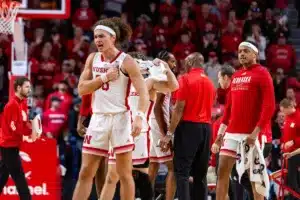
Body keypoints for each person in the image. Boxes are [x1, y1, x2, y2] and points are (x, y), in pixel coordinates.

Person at [72, 17, 149, 200]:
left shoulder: (126, 61)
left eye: (102, 36)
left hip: (120, 119)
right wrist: (104, 78)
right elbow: (82, 89)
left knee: (123, 174)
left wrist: (139, 117)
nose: (97, 40)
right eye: (95, 36)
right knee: (85, 172)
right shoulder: (93, 59)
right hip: (98, 119)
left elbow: (144, 93)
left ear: (113, 38)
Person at [99, 51, 178, 200]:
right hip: (118, 133)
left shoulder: (150, 82)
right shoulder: (118, 82)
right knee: (112, 177)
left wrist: (165, 67)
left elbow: (173, 86)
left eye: (134, 63)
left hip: (139, 135)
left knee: (142, 177)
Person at [215, 41, 275, 200]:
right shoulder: (235, 76)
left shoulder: (263, 73)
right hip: (232, 134)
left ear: (255, 54)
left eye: (246, 51)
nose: (241, 54)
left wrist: (256, 132)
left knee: (254, 177)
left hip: (252, 134)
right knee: (221, 171)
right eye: (240, 51)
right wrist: (220, 135)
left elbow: (269, 106)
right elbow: (228, 109)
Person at [160, 52, 215, 200]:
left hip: (189, 128)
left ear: (190, 63)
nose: (183, 64)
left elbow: (179, 108)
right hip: (206, 129)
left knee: (182, 173)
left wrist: (170, 133)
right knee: (200, 175)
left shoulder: (184, 79)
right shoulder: (210, 82)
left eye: (185, 62)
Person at [0, 77, 39, 200]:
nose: (29, 89)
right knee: (19, 177)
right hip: (8, 146)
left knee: (2, 176)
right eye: (27, 87)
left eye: (29, 87)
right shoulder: (12, 105)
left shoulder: (23, 103)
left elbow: (23, 124)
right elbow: (15, 128)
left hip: (13, 145)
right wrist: (31, 131)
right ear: (18, 88)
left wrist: (32, 127)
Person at [148, 50, 177, 200]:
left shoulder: (155, 76)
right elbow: (157, 107)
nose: (175, 64)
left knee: (153, 165)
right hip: (158, 124)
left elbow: (164, 105)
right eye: (172, 61)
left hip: (152, 123)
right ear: (164, 61)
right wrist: (166, 134)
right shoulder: (162, 76)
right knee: (173, 168)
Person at [77, 93, 107, 198]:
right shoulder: (91, 77)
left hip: (119, 119)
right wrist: (80, 120)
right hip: (96, 120)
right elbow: (86, 96)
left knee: (115, 172)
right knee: (90, 169)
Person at [280, 98, 300, 200]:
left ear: (289, 107)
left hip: (297, 152)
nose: (282, 113)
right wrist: (283, 144)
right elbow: (286, 134)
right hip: (288, 153)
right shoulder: (287, 117)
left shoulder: (298, 117)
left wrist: (293, 142)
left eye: (283, 110)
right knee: (292, 179)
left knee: (291, 179)